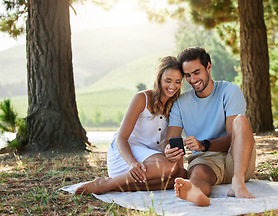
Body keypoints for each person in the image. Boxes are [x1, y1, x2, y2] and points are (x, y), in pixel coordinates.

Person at [75, 56, 187, 195]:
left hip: (153, 162)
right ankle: (106, 184)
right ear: (159, 79)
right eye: (168, 80)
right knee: (166, 166)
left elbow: (172, 143)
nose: (172, 86)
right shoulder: (142, 98)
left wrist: (180, 172)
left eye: (177, 82)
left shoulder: (176, 106)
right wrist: (132, 163)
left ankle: (115, 187)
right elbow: (121, 138)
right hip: (126, 154)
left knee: (178, 175)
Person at [164, 47, 256, 206]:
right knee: (198, 172)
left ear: (208, 67)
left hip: (235, 158)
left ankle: (237, 183)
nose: (192, 79)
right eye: (187, 75)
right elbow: (170, 140)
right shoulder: (180, 104)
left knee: (240, 120)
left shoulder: (229, 91)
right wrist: (169, 150)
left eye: (196, 72)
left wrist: (203, 144)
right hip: (205, 162)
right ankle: (195, 193)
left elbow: (232, 138)